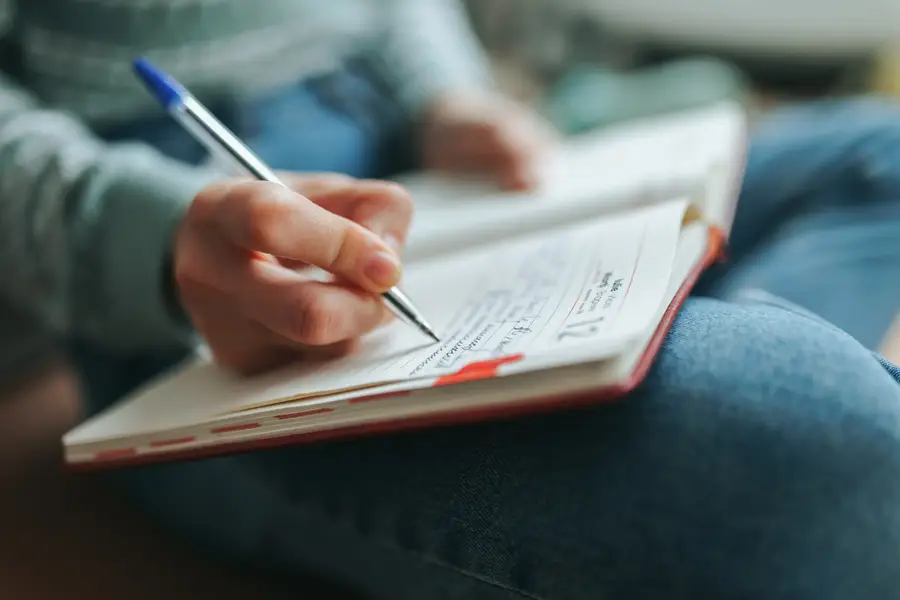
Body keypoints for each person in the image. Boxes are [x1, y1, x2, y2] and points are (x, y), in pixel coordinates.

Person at [2, 4, 900, 600]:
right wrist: (154, 241)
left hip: (417, 160)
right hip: (183, 264)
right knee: (826, 438)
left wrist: (446, 95)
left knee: (884, 153)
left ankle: (696, 399)